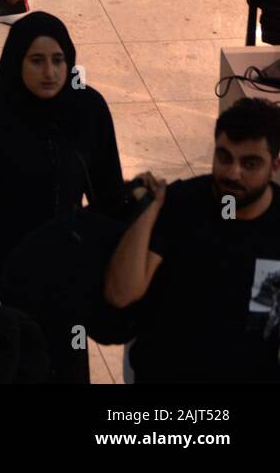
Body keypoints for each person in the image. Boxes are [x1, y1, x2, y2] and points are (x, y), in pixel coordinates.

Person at [0, 11, 125, 382]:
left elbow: (109, 197)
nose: (50, 72)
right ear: (16, 61)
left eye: (59, 60)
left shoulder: (88, 111)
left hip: (64, 282)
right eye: (37, 60)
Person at [105, 97, 280, 383]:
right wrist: (149, 211)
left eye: (250, 163)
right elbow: (121, 293)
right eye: (224, 157)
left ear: (274, 166)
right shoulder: (181, 205)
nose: (233, 173)